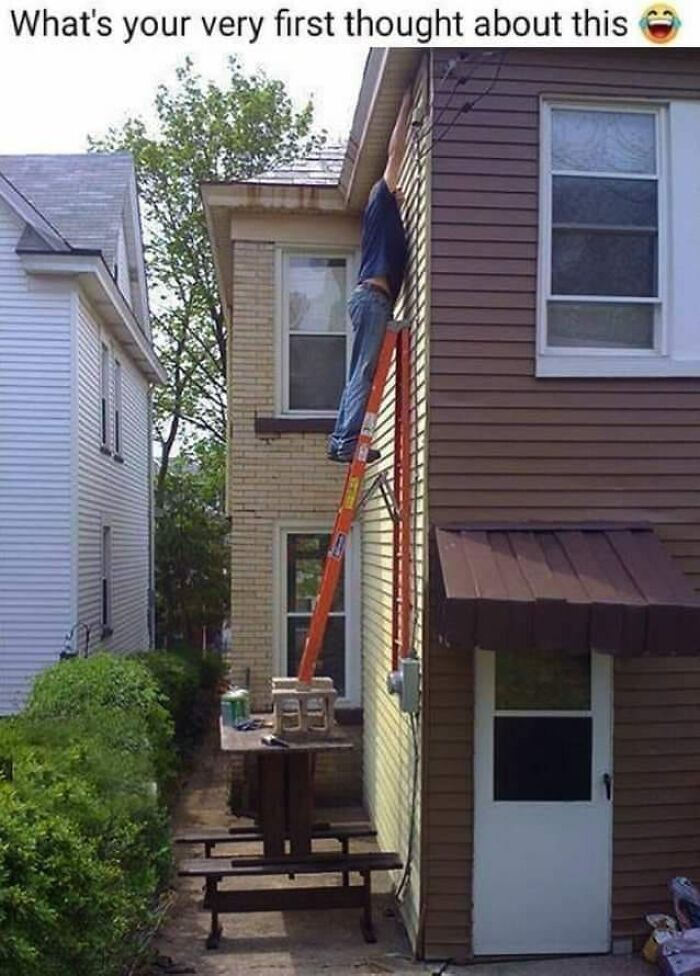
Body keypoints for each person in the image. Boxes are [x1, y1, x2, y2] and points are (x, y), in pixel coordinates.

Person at [327, 89, 412, 464]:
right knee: (363, 372)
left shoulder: (384, 214)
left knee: (358, 372)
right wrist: (406, 104)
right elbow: (395, 154)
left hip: (369, 298)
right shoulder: (380, 195)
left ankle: (339, 440)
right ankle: (346, 441)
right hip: (374, 300)